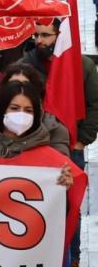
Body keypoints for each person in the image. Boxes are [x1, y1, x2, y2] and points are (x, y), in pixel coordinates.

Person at [0, 81, 84, 252]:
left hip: (26, 253)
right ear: (2, 109)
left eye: (28, 111)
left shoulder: (52, 160)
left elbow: (60, 217)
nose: (21, 115)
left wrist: (64, 191)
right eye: (14, 108)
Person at [19, 19, 98, 161]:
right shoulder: (24, 66)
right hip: (33, 145)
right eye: (36, 36)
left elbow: (94, 105)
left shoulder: (84, 66)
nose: (39, 41)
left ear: (60, 36)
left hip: (71, 146)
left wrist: (81, 140)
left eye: (45, 35)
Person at [1, 63, 70, 156]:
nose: (19, 91)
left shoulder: (54, 130)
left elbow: (59, 164)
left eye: (25, 86)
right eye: (13, 86)